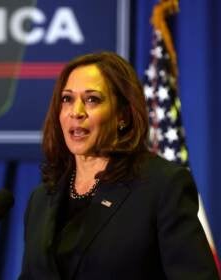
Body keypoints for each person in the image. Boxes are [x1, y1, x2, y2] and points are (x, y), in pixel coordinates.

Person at [19, 52, 219, 279]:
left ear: (122, 115)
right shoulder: (42, 198)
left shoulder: (162, 186)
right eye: (67, 99)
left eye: (92, 99)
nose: (76, 112)